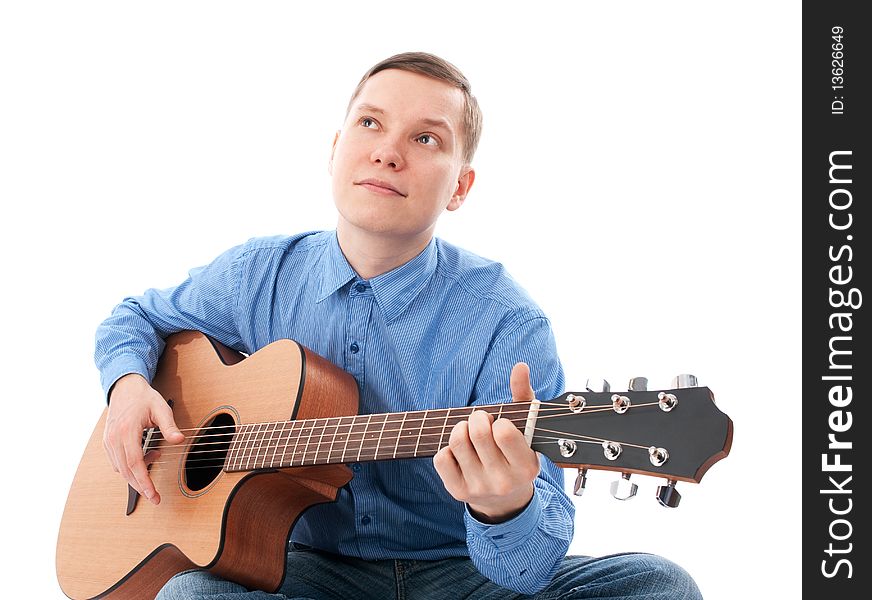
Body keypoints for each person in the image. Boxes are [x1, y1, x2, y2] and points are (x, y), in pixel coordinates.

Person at [95, 51, 702, 600]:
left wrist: (504, 506)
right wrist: (127, 390)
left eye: (426, 138)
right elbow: (136, 318)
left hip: (460, 574)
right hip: (297, 571)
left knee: (660, 587)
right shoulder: (260, 273)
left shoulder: (506, 318)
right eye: (370, 124)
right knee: (189, 598)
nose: (388, 150)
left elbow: (529, 571)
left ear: (459, 186)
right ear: (335, 148)